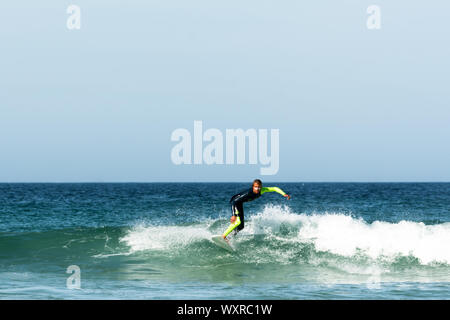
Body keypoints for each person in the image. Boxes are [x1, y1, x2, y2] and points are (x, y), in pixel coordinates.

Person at [222, 179, 291, 241]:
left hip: (240, 203)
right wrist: (234, 215)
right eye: (255, 187)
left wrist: (284, 194)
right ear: (253, 187)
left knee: (241, 226)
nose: (257, 188)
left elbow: (274, 188)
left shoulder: (262, 190)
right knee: (238, 221)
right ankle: (224, 235)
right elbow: (234, 201)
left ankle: (229, 238)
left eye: (259, 187)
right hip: (235, 202)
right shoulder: (248, 193)